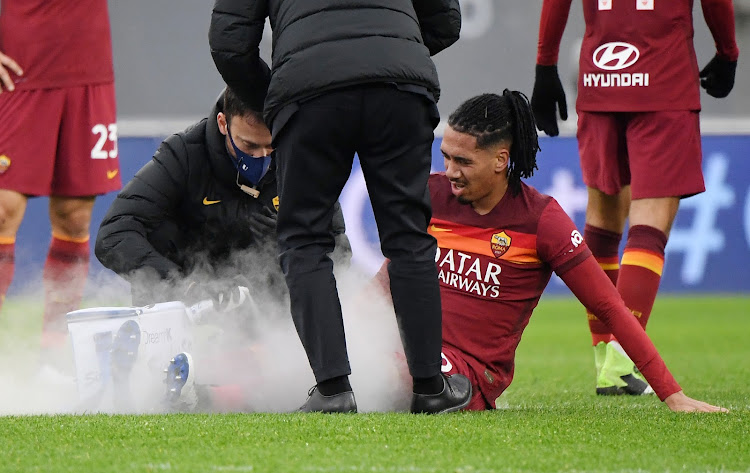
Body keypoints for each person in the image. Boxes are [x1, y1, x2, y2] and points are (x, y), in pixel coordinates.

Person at [376, 91, 726, 413]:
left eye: (463, 161)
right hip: (411, 348)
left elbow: (609, 306)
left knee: (392, 374)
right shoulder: (431, 195)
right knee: (350, 359)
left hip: (469, 372)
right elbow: (391, 274)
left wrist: (672, 393)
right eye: (446, 158)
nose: (450, 172)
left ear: (501, 160)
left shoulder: (541, 220)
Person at [209, 0, 470, 414]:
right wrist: (390, 53)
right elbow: (446, 21)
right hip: (400, 89)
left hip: (308, 93)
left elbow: (229, 45)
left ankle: (333, 391)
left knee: (304, 241)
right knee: (408, 240)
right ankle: (430, 387)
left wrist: (281, 92)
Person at [95, 86, 351, 411]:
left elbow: (340, 257)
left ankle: (203, 389)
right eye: (248, 145)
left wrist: (290, 240)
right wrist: (182, 285)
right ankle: (152, 369)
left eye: (270, 147)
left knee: (304, 268)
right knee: (155, 230)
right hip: (187, 298)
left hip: (266, 313)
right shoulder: (185, 154)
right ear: (222, 123)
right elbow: (114, 234)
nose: (260, 158)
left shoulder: (303, 158)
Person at [531, 0, 739, 395]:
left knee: (603, 219)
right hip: (664, 78)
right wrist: (727, 52)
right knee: (650, 221)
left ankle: (606, 362)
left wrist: (545, 66)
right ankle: (622, 360)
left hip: (602, 80)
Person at [0, 0, 120, 351]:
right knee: (3, 209)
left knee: (74, 217)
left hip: (88, 69)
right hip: (21, 70)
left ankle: (54, 358)